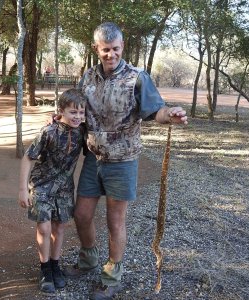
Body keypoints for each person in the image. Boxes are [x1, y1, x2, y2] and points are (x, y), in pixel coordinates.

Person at [62, 22, 188, 300]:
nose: (111, 54)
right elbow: (77, 110)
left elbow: (156, 111)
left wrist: (172, 114)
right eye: (105, 49)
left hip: (123, 161)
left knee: (114, 221)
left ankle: (111, 276)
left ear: (122, 47)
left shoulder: (136, 77)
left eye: (116, 49)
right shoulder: (88, 78)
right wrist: (61, 118)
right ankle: (89, 260)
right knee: (82, 214)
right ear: (97, 49)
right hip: (94, 158)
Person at [18, 88, 86, 295]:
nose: (78, 116)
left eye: (81, 112)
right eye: (73, 112)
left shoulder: (83, 132)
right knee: (45, 228)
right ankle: (45, 269)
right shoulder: (48, 132)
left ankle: (56, 266)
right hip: (42, 185)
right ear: (61, 111)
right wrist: (22, 189)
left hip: (65, 187)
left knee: (60, 228)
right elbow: (28, 158)